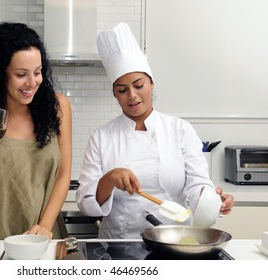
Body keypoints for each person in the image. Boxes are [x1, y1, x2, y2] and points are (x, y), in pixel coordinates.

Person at [76, 22, 234, 239]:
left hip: (175, 239)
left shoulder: (180, 130)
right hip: (120, 244)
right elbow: (86, 202)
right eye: (122, 90)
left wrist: (212, 200)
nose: (132, 95)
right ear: (114, 94)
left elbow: (198, 183)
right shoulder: (101, 137)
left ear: (151, 83)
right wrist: (110, 178)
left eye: (139, 85)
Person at [0, 22, 72, 240]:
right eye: (21, 74)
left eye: (37, 72)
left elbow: (63, 175)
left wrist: (43, 228)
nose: (32, 82)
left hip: (42, 236)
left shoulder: (58, 108)